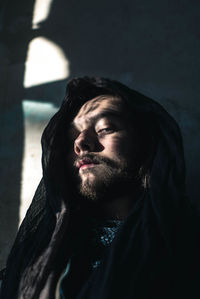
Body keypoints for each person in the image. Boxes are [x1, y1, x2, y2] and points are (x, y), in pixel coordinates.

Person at [1, 77, 200, 299]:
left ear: (146, 144)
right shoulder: (35, 256)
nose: (81, 142)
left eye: (105, 128)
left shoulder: (184, 249)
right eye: (70, 137)